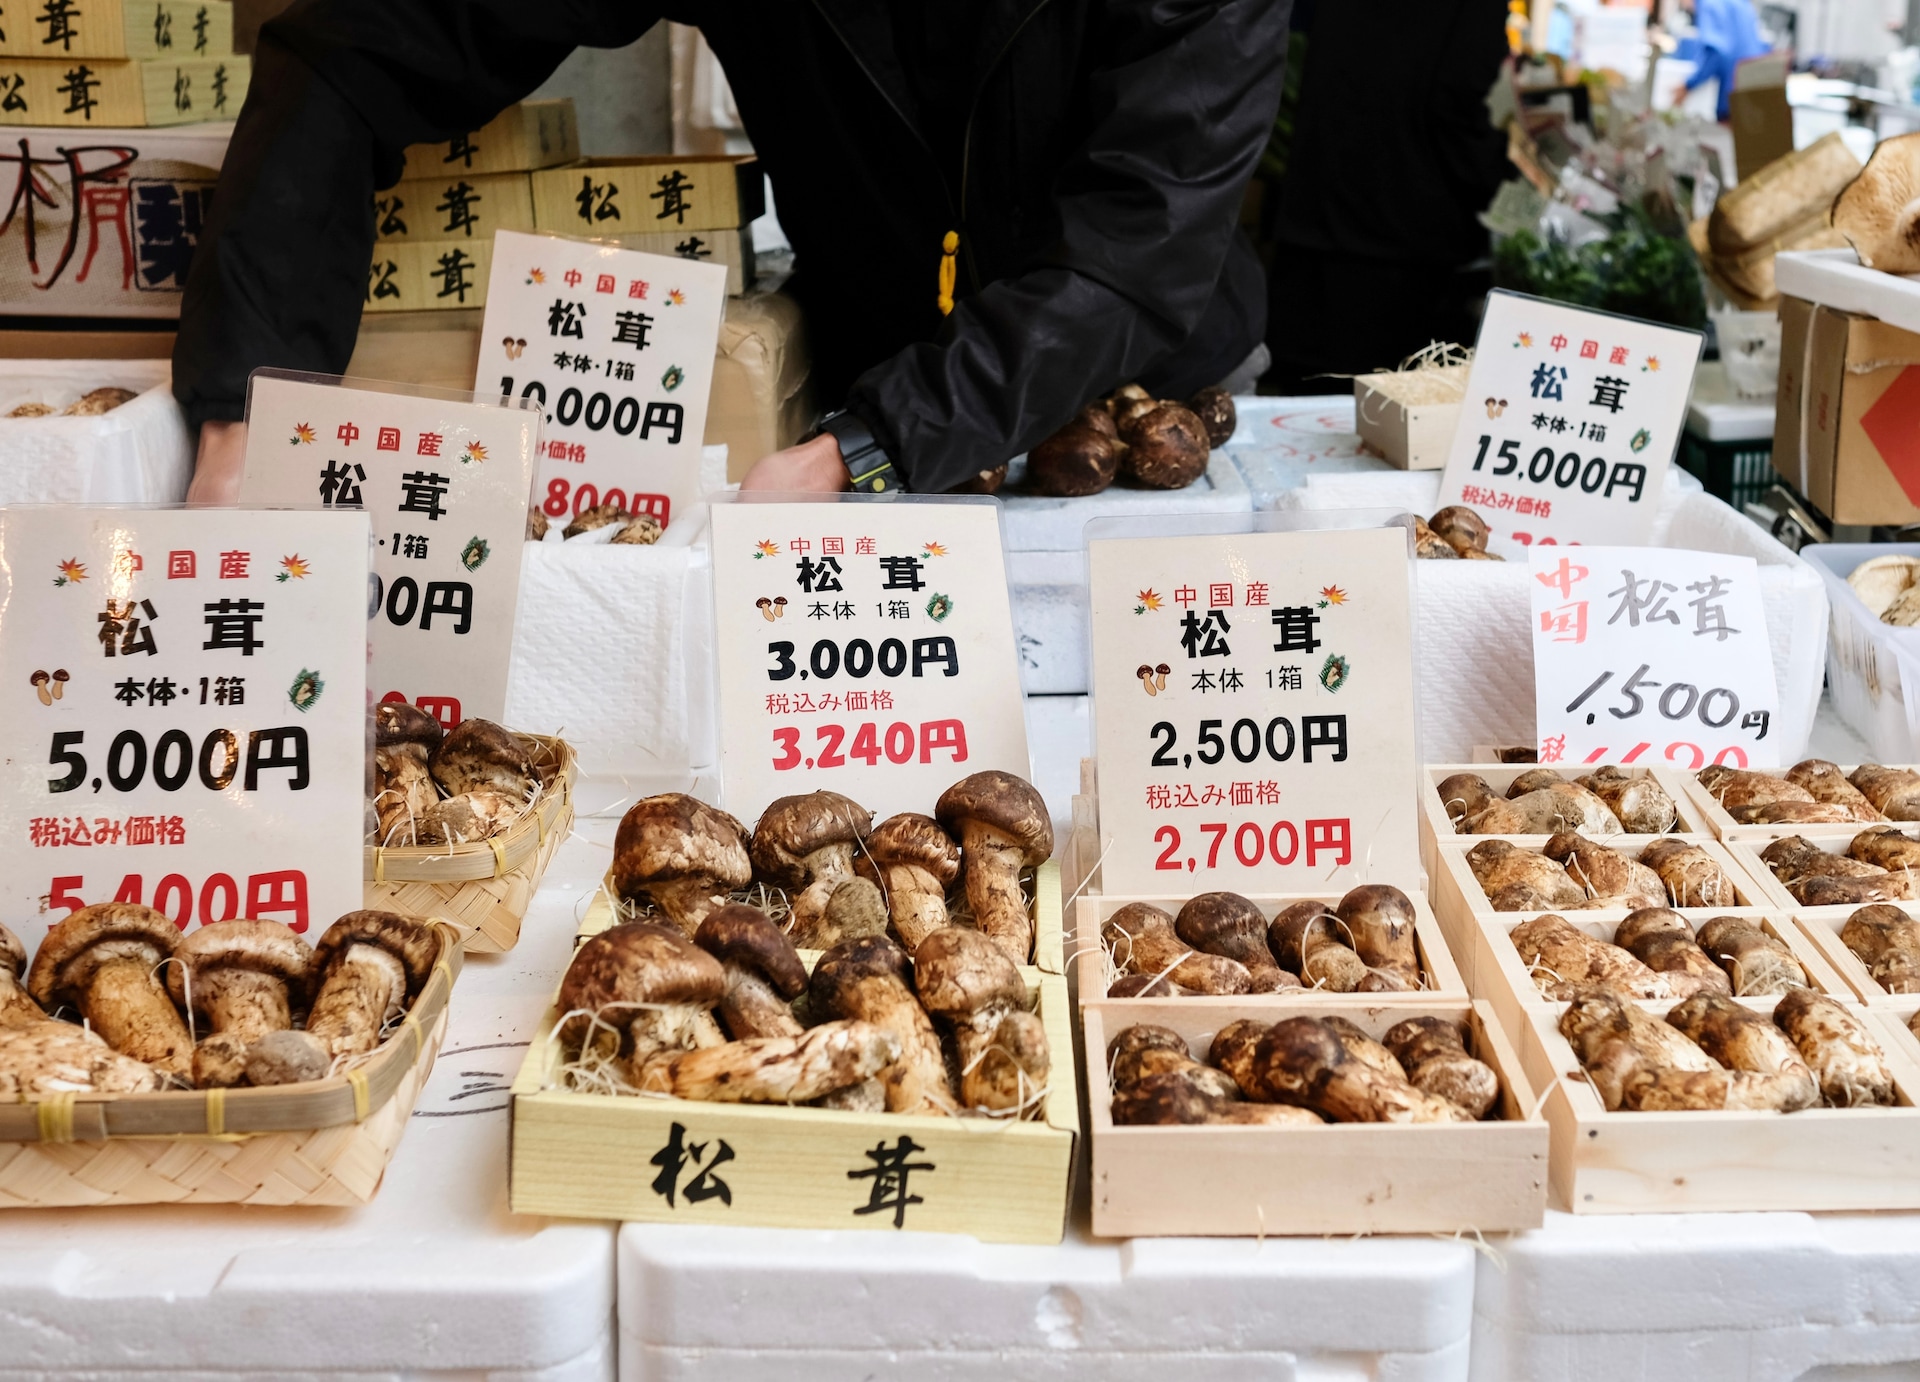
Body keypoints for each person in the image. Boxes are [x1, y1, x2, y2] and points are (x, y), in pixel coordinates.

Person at [176, 1, 1290, 501]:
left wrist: (876, 445)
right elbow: (359, 50)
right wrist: (245, 409)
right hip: (852, 385)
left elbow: (1141, 245)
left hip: (1141, 404)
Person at [1261, 0, 1510, 393]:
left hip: (1314, 228)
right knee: (1381, 426)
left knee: (1297, 419)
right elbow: (1457, 104)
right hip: (1399, 249)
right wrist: (1500, 181)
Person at [1673, 0, 1770, 121]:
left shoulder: (1709, 4)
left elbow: (1715, 53)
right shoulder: (1740, 3)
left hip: (1734, 93)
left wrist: (1688, 85)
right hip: (1757, 87)